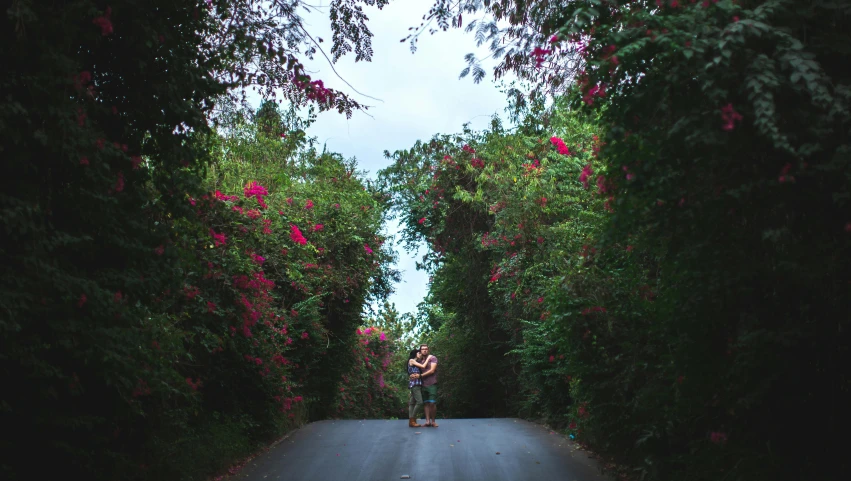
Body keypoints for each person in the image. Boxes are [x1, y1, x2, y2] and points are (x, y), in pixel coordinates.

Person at [418, 344, 438, 427]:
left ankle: (433, 421)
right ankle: (427, 421)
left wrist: (421, 375)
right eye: (423, 349)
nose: (424, 350)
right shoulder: (419, 360)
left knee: (432, 403)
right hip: (423, 384)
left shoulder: (432, 358)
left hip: (432, 383)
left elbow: (432, 370)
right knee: (426, 403)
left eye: (426, 349)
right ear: (420, 351)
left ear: (428, 350)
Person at [406, 348, 424, 428]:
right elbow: (423, 366)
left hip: (416, 383)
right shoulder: (412, 360)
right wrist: (429, 358)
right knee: (420, 402)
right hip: (415, 384)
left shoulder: (415, 362)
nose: (420, 354)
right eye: (419, 353)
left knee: (412, 402)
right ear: (415, 354)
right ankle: (412, 419)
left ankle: (411, 421)